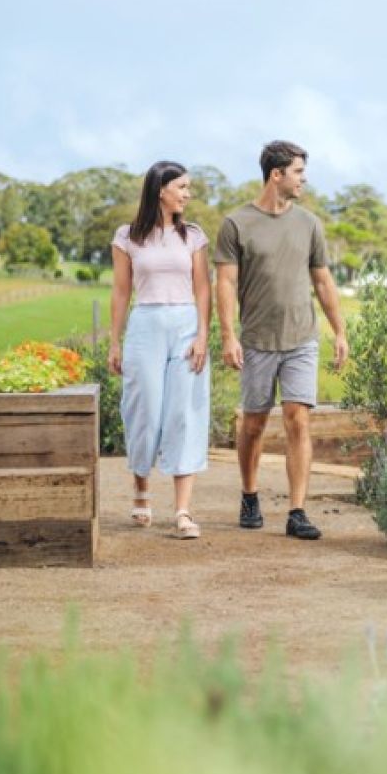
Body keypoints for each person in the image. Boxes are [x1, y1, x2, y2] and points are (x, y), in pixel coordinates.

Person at [214, 140, 349, 540]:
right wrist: (228, 335)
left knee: (298, 419)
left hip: (301, 338)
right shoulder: (236, 224)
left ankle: (297, 511)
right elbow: (226, 283)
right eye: (298, 173)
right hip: (256, 339)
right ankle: (249, 495)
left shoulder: (309, 224)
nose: (303, 180)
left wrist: (339, 330)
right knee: (253, 424)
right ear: (276, 174)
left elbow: (322, 281)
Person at [108, 160, 211, 540]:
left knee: (185, 413)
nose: (187, 194)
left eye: (188, 187)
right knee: (144, 411)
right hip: (145, 325)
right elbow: (121, 291)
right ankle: (141, 487)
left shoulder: (193, 236)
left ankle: (182, 511)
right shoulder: (127, 236)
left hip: (185, 325)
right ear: (160, 190)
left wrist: (202, 336)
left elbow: (203, 288)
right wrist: (115, 341)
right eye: (181, 187)